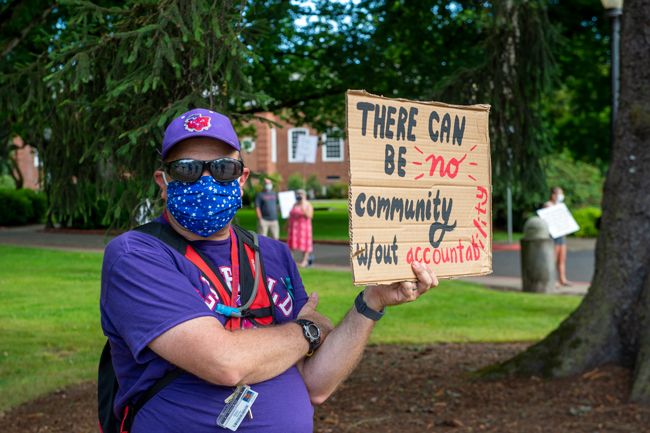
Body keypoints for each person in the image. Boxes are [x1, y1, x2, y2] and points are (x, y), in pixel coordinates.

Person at [100, 108, 439, 433]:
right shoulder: (136, 255)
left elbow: (316, 384)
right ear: (163, 180)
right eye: (187, 169)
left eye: (222, 168)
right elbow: (224, 362)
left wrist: (372, 301)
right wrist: (308, 330)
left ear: (242, 177)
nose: (206, 180)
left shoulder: (272, 253)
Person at [544, 186, 571, 287]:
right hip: (553, 236)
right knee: (553, 259)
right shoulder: (548, 205)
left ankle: (563, 279)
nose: (561, 196)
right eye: (559, 194)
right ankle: (552, 280)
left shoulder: (561, 205)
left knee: (562, 259)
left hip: (561, 235)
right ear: (553, 195)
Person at [287, 189, 314, 268]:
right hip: (294, 228)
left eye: (301, 194)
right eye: (298, 194)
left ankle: (304, 261)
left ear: (304, 195)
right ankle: (291, 261)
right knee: (291, 245)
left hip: (304, 228)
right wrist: (287, 225)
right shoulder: (295, 204)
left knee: (305, 245)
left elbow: (310, 216)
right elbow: (291, 215)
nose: (299, 195)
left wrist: (302, 206)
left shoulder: (308, 205)